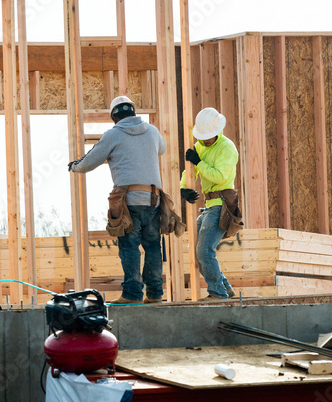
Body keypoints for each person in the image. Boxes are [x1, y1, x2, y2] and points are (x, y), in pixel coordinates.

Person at [68, 96, 167, 304]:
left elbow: (88, 163)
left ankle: (132, 294)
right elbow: (162, 149)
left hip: (129, 201)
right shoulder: (152, 131)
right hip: (153, 200)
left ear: (114, 116)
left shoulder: (113, 135)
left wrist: (74, 166)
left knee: (129, 246)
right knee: (152, 246)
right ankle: (155, 294)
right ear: (133, 111)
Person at [180, 107, 240, 301]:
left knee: (205, 250)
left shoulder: (227, 148)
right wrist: (184, 187)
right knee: (197, 248)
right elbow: (189, 171)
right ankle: (225, 289)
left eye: (208, 136)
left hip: (222, 204)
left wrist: (198, 162)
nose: (204, 140)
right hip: (209, 205)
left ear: (217, 131)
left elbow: (218, 175)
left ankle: (217, 293)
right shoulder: (199, 147)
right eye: (202, 136)